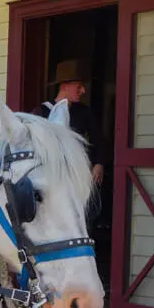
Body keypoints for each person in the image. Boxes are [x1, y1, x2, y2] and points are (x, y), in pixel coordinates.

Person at [32, 59, 107, 220]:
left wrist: (99, 163)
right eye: (78, 86)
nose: (83, 91)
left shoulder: (84, 112)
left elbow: (98, 139)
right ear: (65, 86)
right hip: (50, 175)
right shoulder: (41, 112)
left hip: (77, 175)